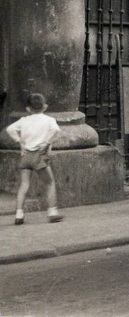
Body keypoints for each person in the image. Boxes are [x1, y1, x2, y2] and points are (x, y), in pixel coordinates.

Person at [5, 93, 63, 225]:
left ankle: (19, 214)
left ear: (28, 109)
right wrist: (47, 142)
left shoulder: (23, 121)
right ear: (45, 106)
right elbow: (56, 131)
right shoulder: (49, 120)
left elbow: (10, 129)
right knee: (49, 182)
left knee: (24, 184)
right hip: (39, 155)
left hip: (26, 156)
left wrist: (20, 141)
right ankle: (52, 212)